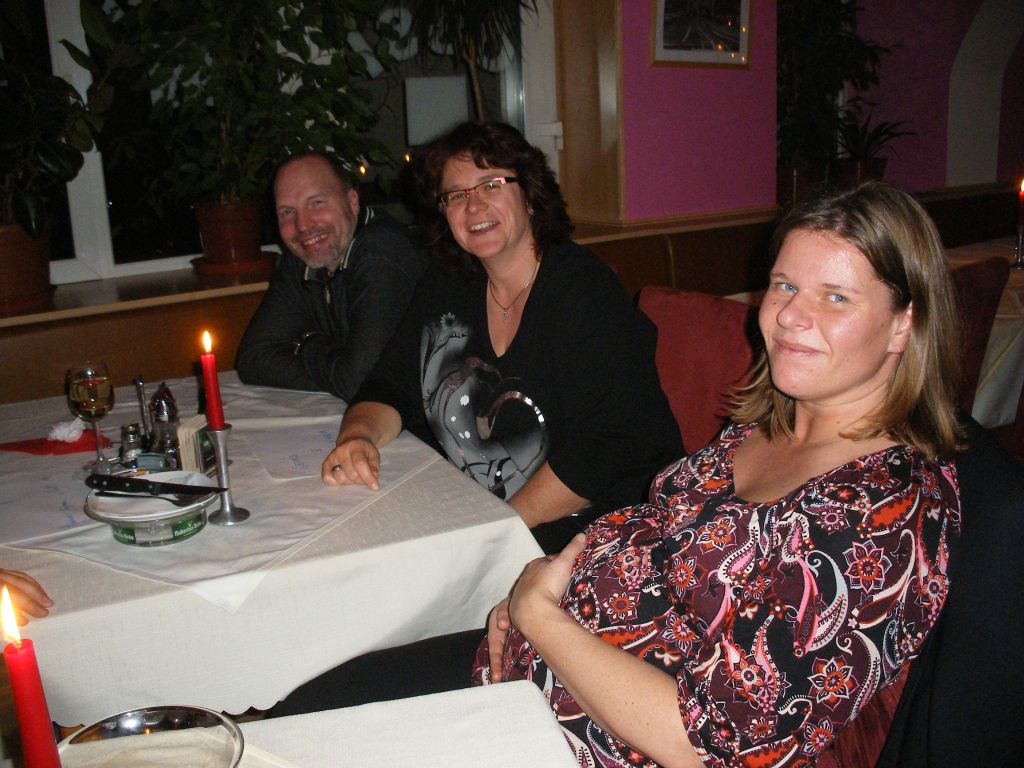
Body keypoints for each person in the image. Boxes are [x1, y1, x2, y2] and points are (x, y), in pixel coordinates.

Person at [477, 182, 962, 767]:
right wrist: (537, 600)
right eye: (784, 285)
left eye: (836, 297)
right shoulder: (765, 426)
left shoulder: (883, 511)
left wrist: (539, 617)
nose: (790, 316)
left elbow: (716, 748)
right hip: (518, 692)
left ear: (903, 324)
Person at [320, 122, 682, 553]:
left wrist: (494, 530)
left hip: (603, 535)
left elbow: (605, 450)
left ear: (529, 195)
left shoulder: (584, 293)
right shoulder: (447, 285)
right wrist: (358, 437)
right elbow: (393, 382)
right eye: (455, 195)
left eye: (491, 184)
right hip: (488, 517)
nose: (473, 206)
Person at [235, 152, 428, 401]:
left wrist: (307, 344)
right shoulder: (300, 258)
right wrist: (339, 368)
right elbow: (253, 359)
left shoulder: (382, 252)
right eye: (287, 212)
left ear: (352, 202)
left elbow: (362, 381)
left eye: (316, 203)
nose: (303, 225)